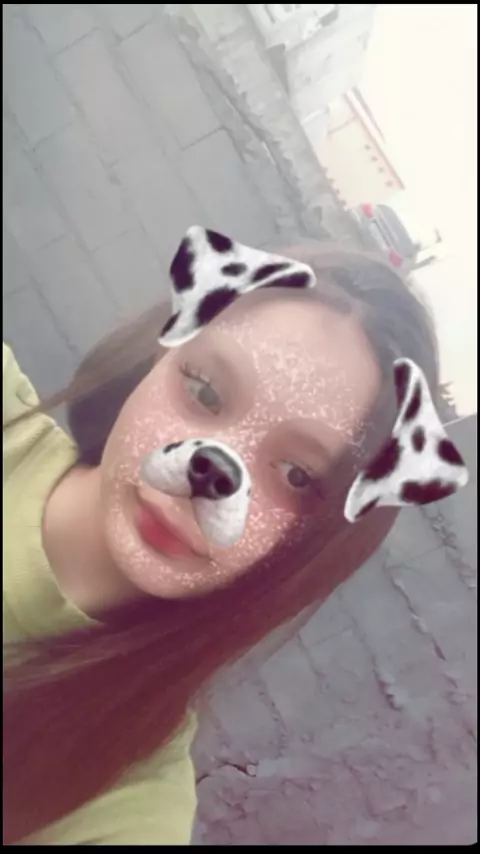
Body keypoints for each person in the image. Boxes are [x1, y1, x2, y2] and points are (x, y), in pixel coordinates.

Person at [3, 229, 467, 845]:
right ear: (162, 351)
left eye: (297, 475)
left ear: (320, 534)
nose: (214, 471)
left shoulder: (124, 807)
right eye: (204, 390)